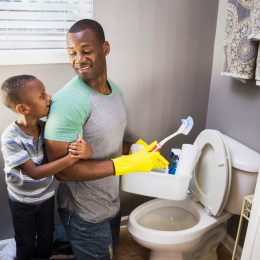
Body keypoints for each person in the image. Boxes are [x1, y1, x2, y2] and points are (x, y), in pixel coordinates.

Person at [44, 19, 168, 260]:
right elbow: (62, 172)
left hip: (110, 202)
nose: (78, 59)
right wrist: (122, 165)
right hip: (84, 214)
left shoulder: (115, 91)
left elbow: (108, 140)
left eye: (86, 51)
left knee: (108, 251)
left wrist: (135, 149)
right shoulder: (68, 103)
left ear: (105, 48)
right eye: (72, 53)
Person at [0, 74, 93, 260]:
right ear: (23, 108)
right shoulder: (11, 138)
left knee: (46, 237)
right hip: (22, 202)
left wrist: (86, 151)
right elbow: (34, 173)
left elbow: (83, 151)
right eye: (42, 95)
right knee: (25, 241)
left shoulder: (48, 129)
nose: (50, 97)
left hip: (46, 197)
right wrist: (72, 158)